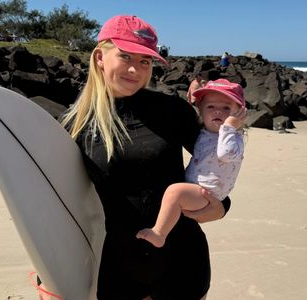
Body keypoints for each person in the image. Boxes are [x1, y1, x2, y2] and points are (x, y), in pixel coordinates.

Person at [60, 15, 231, 300]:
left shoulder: (172, 111)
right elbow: (54, 203)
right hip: (116, 268)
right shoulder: (75, 125)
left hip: (183, 262)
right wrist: (49, 270)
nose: (134, 69)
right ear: (100, 57)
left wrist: (221, 205)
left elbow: (217, 162)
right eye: (125, 56)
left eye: (144, 61)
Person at [137, 79, 247, 248]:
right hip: (198, 187)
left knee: (175, 192)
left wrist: (229, 127)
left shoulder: (234, 138)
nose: (218, 111)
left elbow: (225, 153)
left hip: (207, 193)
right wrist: (195, 98)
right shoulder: (205, 131)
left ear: (239, 114)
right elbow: (195, 116)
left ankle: (159, 233)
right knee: (176, 193)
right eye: (210, 107)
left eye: (226, 108)